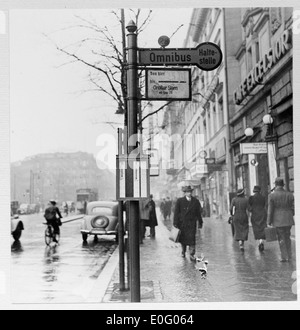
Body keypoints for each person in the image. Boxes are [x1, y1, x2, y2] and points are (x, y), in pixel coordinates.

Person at [267, 177, 295, 262]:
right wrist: (291, 214)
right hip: (288, 219)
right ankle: (289, 255)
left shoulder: (271, 195)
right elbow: (293, 207)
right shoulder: (290, 194)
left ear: (275, 185)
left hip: (278, 220)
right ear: (283, 185)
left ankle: (284, 256)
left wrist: (269, 221)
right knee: (287, 237)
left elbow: (270, 210)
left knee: (281, 238)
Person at [173, 186, 203, 262]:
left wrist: (200, 222)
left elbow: (198, 213)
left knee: (192, 239)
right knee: (183, 239)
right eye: (187, 192)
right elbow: (176, 212)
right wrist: (175, 223)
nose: (189, 193)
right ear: (185, 193)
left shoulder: (195, 201)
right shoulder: (180, 201)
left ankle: (192, 254)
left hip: (192, 223)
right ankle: (183, 251)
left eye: (190, 192)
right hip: (182, 223)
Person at [248, 185, 267, 252]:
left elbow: (249, 207)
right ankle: (261, 242)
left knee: (257, 229)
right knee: (262, 228)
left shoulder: (251, 198)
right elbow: (264, 205)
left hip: (255, 215)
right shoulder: (263, 197)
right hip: (262, 214)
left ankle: (260, 241)